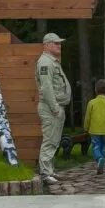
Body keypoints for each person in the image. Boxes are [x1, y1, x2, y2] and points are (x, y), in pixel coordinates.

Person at [34, 32, 71, 187]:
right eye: (56, 43)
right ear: (47, 45)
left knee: (54, 140)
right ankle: (45, 173)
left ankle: (49, 170)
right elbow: (47, 87)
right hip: (51, 108)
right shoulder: (45, 63)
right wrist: (55, 108)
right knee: (50, 140)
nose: (59, 45)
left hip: (55, 107)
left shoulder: (52, 62)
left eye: (59, 43)